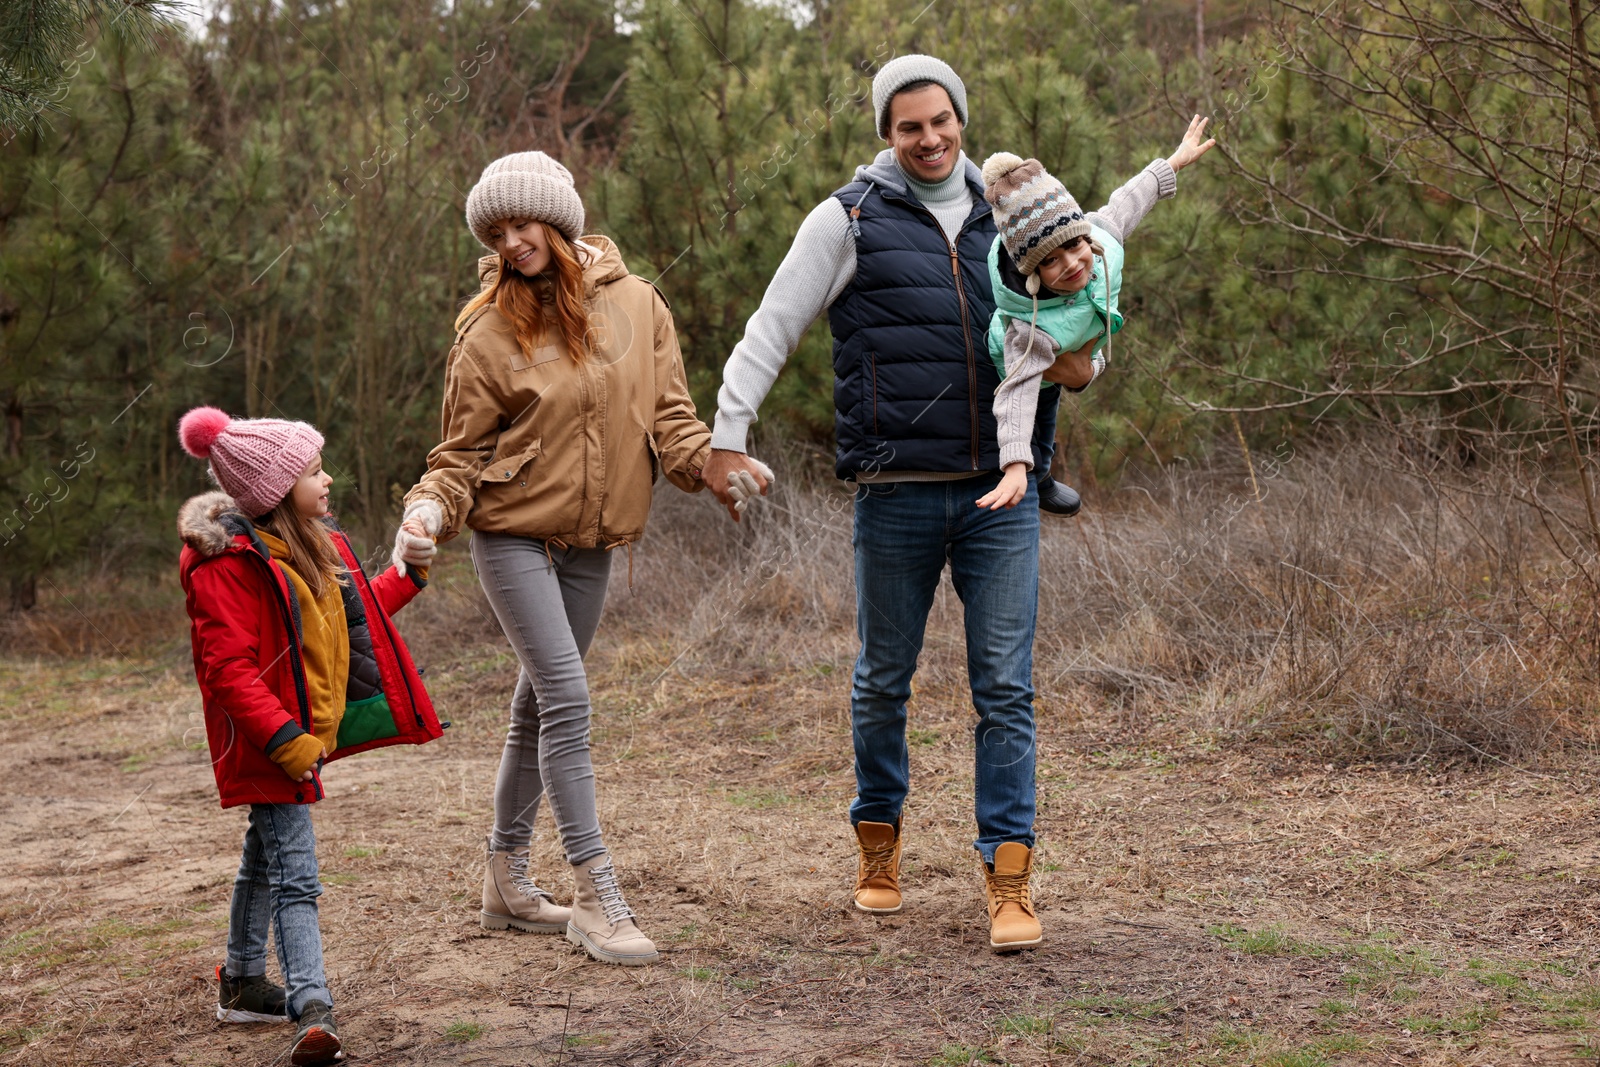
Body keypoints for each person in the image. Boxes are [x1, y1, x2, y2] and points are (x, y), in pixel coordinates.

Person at [395, 150, 724, 966]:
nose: (512, 242)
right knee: (569, 699)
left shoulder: (640, 306)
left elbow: (673, 419)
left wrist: (713, 466)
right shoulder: (487, 328)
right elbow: (459, 454)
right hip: (511, 533)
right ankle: (594, 892)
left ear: (560, 220)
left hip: (592, 542)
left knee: (537, 707)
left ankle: (505, 880)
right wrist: (429, 508)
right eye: (497, 231)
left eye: (523, 223)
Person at [176, 406, 443, 1066]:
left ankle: (241, 981)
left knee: (263, 856)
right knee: (297, 877)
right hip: (271, 743)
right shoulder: (227, 566)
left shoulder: (308, 548)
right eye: (314, 470)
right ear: (275, 490)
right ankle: (311, 1006)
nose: (328, 481)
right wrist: (289, 742)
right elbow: (228, 670)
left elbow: (355, 617)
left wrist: (406, 572)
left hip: (296, 739)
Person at [974, 117, 1216, 512]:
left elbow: (1129, 199)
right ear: (1033, 276)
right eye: (1050, 261)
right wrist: (1015, 465)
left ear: (1086, 236)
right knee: (1039, 413)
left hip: (1070, 344)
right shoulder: (1028, 331)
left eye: (1074, 246)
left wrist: (1172, 163)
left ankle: (1043, 467)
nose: (1071, 264)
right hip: (1025, 364)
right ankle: (1039, 473)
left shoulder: (1102, 243)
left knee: (1050, 414)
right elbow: (1015, 397)